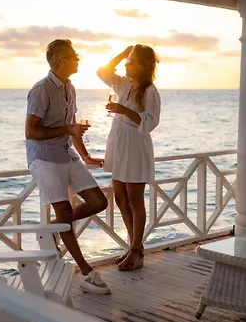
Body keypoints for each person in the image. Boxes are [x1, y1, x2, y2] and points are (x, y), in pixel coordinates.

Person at [26, 39, 110, 294]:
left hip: (66, 153)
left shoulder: (69, 87)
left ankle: (53, 227)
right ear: (62, 60)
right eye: (74, 56)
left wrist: (85, 155)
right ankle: (86, 272)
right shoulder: (41, 89)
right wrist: (67, 129)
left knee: (99, 201)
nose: (78, 59)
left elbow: (71, 127)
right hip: (44, 157)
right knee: (65, 213)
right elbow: (31, 132)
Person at [97, 45, 161, 271]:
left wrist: (122, 110)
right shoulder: (123, 83)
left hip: (134, 144)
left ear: (144, 66)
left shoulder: (150, 91)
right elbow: (102, 72)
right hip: (118, 142)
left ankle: (135, 250)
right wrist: (123, 54)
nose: (127, 65)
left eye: (132, 62)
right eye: (127, 61)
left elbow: (150, 122)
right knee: (120, 198)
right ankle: (134, 246)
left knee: (134, 199)